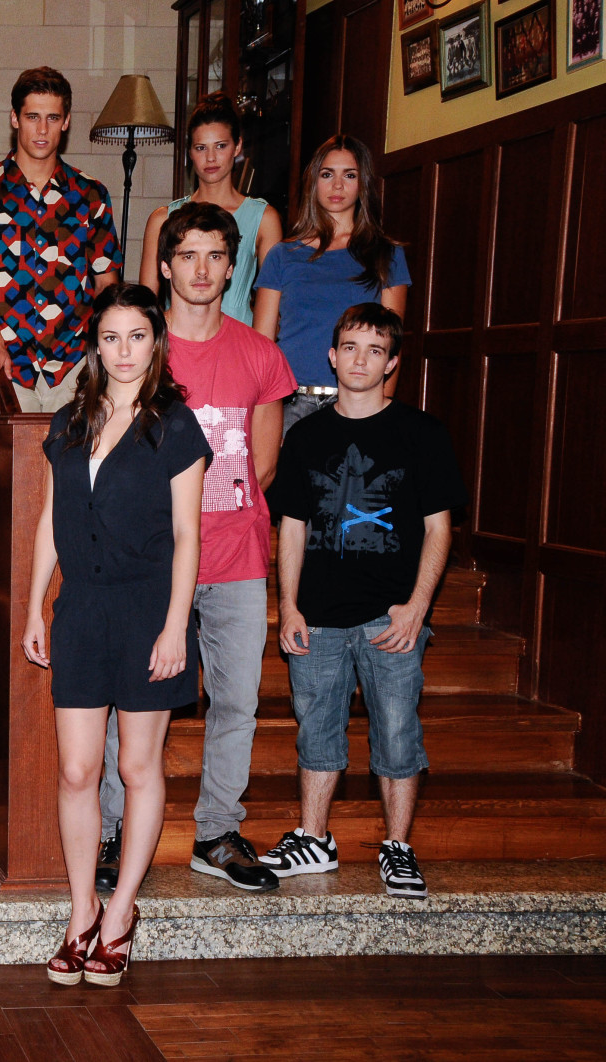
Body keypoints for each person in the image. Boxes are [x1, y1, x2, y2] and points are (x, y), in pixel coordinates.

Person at [97, 203, 295, 894]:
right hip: (151, 564)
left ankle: (216, 832)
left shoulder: (260, 354)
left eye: (215, 256)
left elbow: (262, 464)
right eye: (187, 255)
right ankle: (112, 829)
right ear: (165, 265)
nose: (201, 269)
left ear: (231, 267)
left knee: (235, 702)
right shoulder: (141, 353)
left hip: (237, 556)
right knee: (131, 701)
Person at [24, 283, 210, 986]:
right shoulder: (69, 422)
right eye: (111, 337)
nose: (124, 351)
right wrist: (33, 607)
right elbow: (50, 521)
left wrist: (174, 625)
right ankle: (81, 911)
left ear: (155, 342)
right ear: (95, 347)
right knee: (77, 770)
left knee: (136, 767)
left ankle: (122, 911)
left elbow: (188, 534)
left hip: (147, 611)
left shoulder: (174, 425)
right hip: (81, 609)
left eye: (137, 336)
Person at [261, 304, 465, 898]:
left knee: (398, 733)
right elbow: (292, 527)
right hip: (318, 616)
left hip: (390, 617)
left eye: (375, 350)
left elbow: (439, 528)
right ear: (332, 356)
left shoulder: (422, 434)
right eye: (350, 347)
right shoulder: (305, 437)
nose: (360, 360)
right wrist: (289, 606)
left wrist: (417, 607)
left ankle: (397, 847)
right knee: (315, 731)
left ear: (391, 362)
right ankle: (314, 839)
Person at [0, 66, 122, 412]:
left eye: (52, 118)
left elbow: (107, 283)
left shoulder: (91, 194)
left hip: (76, 363)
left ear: (66, 121)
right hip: (8, 363)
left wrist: (105, 353)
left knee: (80, 449)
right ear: (15, 118)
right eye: (32, 117)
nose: (42, 129)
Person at [253, 134, 411, 433]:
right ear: (313, 182)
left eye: (349, 175)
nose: (337, 185)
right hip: (288, 403)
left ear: (363, 183)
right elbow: (262, 346)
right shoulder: (283, 255)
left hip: (358, 402)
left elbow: (392, 343)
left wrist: (380, 413)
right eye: (327, 174)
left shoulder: (387, 254)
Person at [138, 92, 283, 325]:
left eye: (221, 146)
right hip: (178, 339)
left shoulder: (263, 218)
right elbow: (145, 308)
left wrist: (258, 349)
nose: (211, 158)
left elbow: (271, 305)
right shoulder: (163, 219)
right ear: (190, 152)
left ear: (237, 146)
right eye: (201, 148)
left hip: (240, 339)